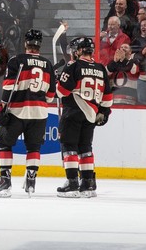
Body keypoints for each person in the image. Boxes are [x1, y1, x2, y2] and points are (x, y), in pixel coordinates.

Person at [0, 29, 56, 198]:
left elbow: (8, 88)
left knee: (5, 143)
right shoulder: (48, 64)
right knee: (33, 147)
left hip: (17, 112)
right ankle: (31, 182)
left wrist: (1, 108)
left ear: (26, 43)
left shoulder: (17, 61)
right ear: (40, 44)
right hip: (40, 113)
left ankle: (5, 182)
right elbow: (50, 97)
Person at [56, 37, 113, 198]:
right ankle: (87, 184)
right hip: (92, 114)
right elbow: (107, 97)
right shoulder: (101, 68)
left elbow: (62, 92)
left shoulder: (73, 66)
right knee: (85, 148)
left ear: (80, 51)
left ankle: (73, 183)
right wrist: (104, 112)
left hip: (73, 111)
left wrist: (58, 81)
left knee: (69, 146)